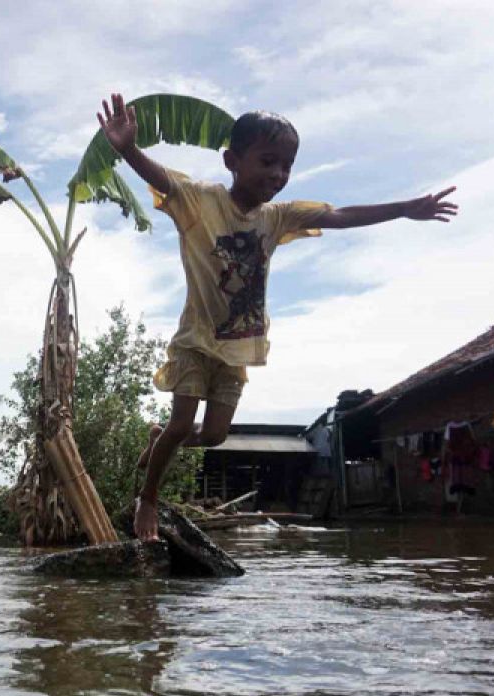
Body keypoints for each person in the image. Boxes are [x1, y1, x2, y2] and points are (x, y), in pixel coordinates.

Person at [96, 93, 458, 540]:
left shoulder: (279, 217)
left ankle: (158, 440)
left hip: (237, 348)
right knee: (181, 422)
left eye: (286, 166)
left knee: (211, 436)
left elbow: (341, 213)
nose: (278, 175)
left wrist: (404, 209)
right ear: (232, 160)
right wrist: (127, 149)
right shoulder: (200, 200)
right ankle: (146, 503)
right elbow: (163, 179)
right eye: (268, 162)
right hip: (194, 339)